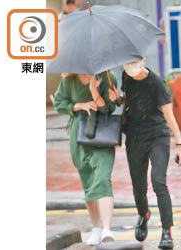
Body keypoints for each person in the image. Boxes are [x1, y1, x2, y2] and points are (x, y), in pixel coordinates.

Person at [108, 58, 181, 249]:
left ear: (142, 61)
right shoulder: (126, 76)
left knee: (159, 182)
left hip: (157, 136)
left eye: (133, 62)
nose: (129, 66)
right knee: (139, 187)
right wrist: (117, 99)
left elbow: (169, 114)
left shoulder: (156, 83)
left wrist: (179, 143)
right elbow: (129, 101)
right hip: (134, 138)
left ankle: (167, 231)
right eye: (126, 62)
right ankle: (144, 214)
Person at [53, 72, 117, 246]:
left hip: (102, 134)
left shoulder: (108, 77)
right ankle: (96, 228)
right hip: (79, 134)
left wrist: (93, 90)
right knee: (88, 181)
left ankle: (106, 229)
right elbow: (59, 104)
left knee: (103, 178)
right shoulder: (68, 80)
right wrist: (80, 105)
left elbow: (108, 109)